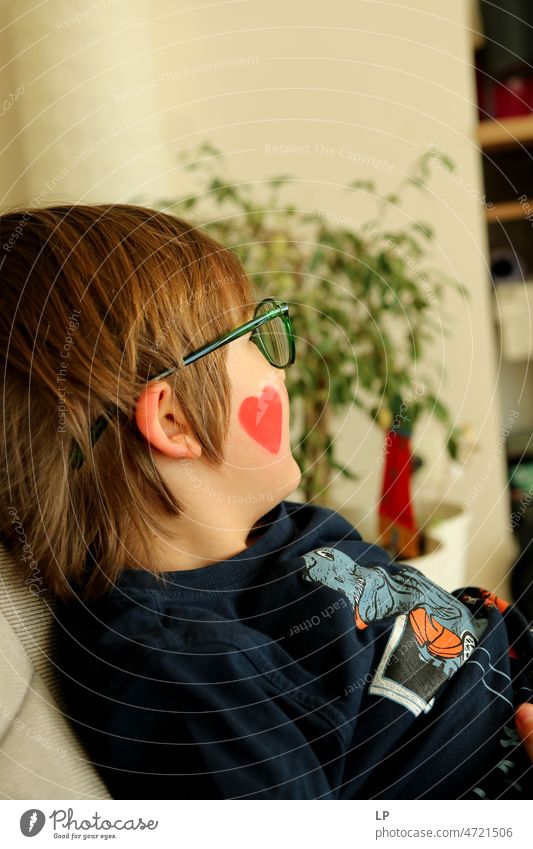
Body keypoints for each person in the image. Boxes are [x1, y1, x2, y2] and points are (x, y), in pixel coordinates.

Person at [0, 203, 532, 800]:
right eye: (251, 338)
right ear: (175, 421)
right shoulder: (185, 674)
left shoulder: (279, 530)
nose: (280, 370)